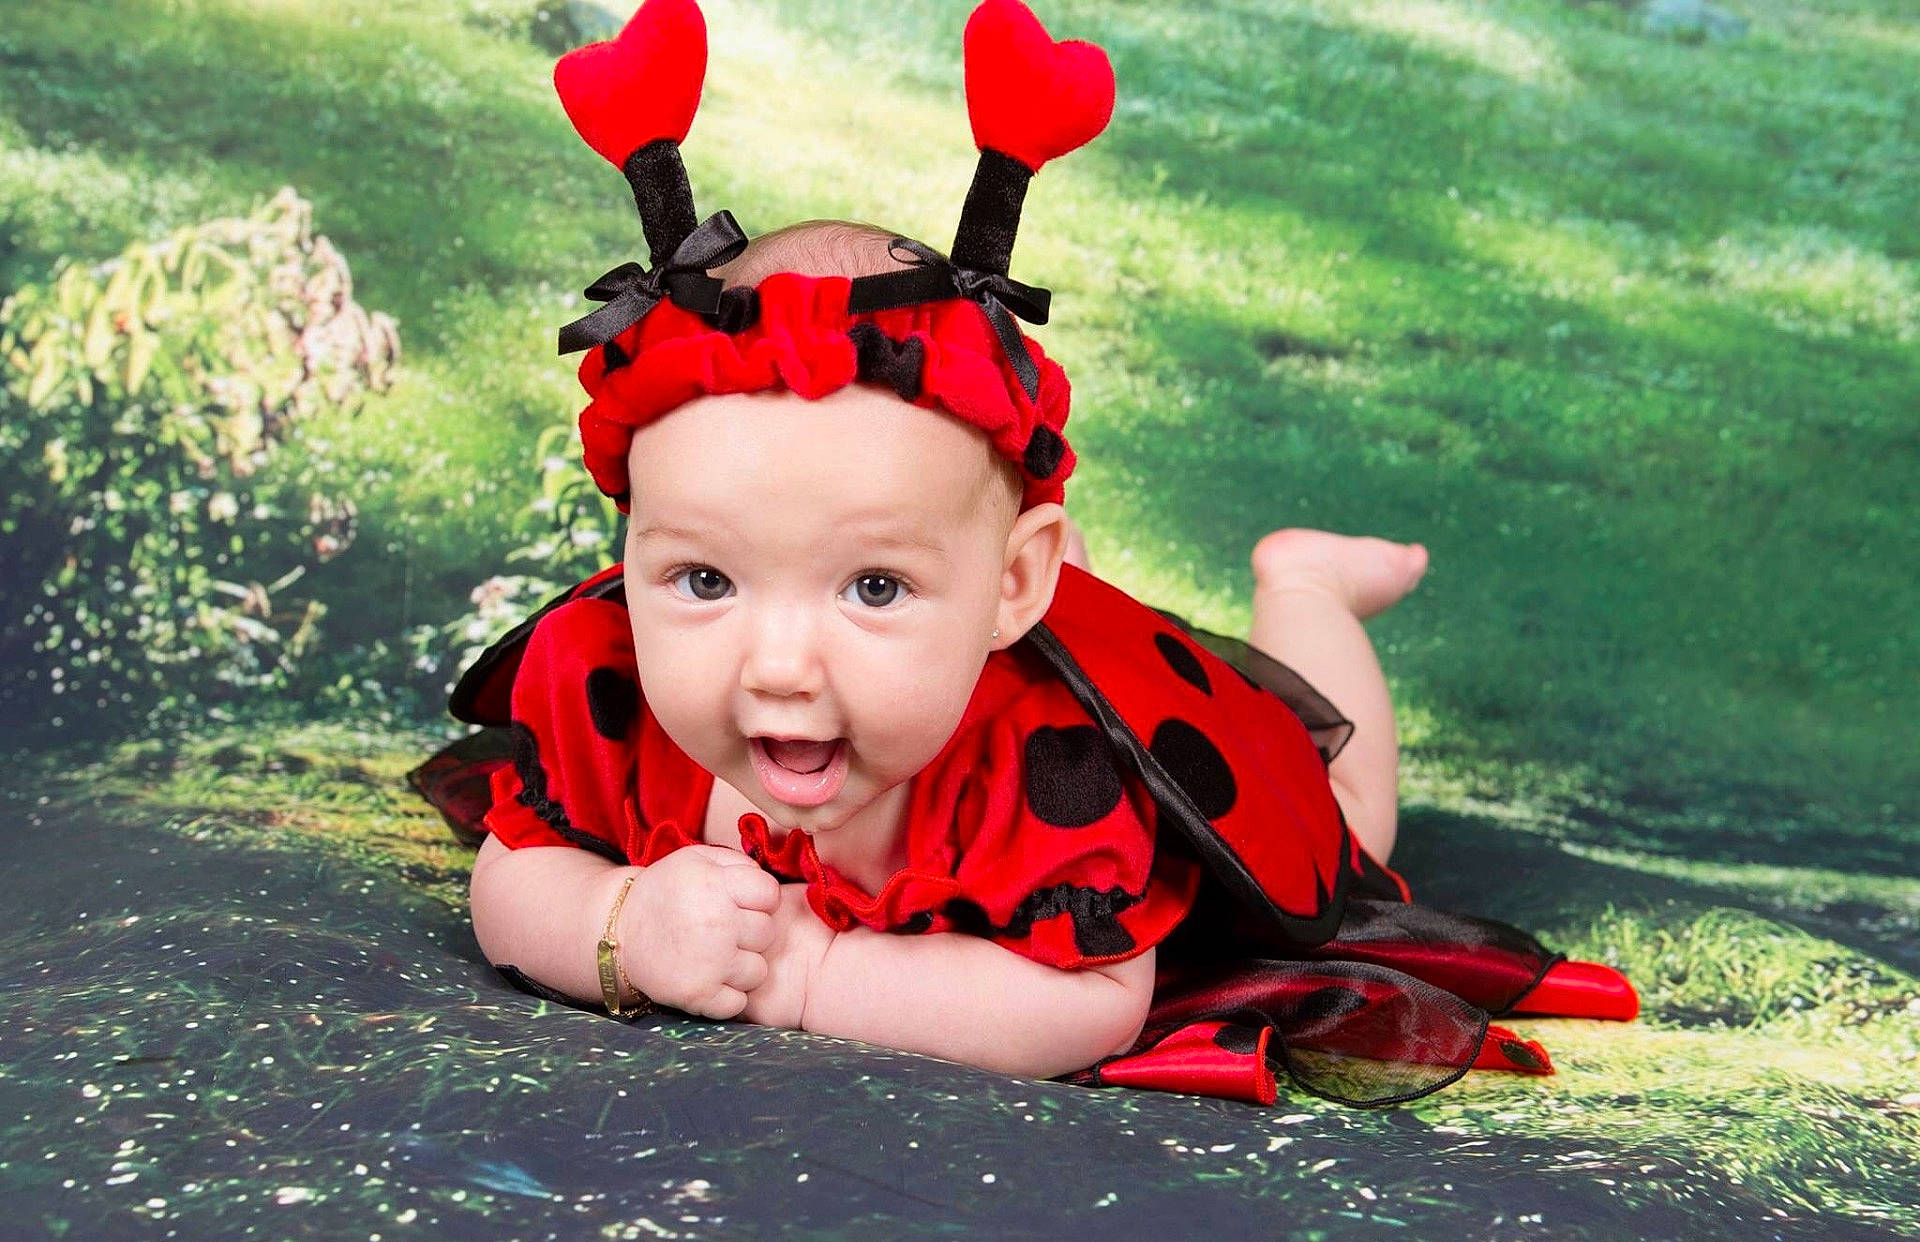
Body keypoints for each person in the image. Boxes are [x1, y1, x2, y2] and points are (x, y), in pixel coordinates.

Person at [417, 0, 1635, 1107]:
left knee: (1345, 830)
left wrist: (808, 972)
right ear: (633, 549)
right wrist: (618, 923)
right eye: (703, 579)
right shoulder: (618, 691)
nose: (777, 663)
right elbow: (512, 880)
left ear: (1013, 583)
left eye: (875, 586)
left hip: (1130, 724)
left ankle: (1304, 584)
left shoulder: (1045, 777)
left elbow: (1086, 999)